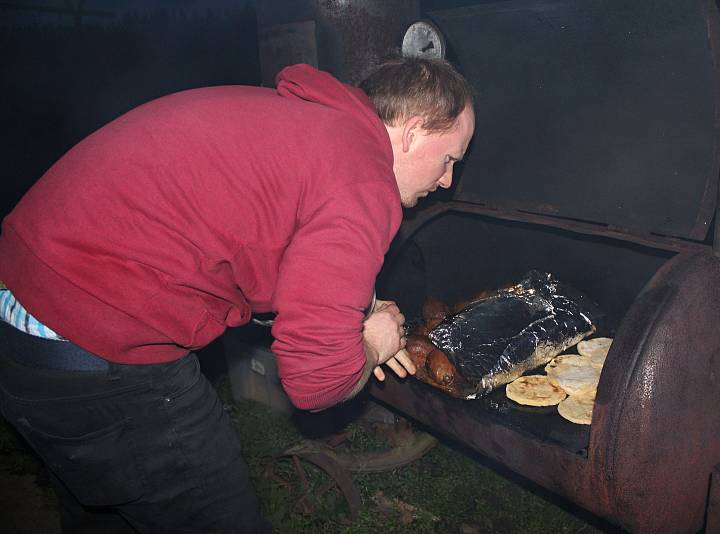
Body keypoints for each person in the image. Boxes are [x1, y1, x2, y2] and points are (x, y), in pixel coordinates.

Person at [0, 56, 475, 533]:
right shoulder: (363, 177)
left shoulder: (310, 127)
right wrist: (372, 346)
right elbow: (317, 383)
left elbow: (263, 242)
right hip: (100, 342)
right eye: (449, 158)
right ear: (413, 131)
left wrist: (363, 309)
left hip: (28, 319)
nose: (447, 181)